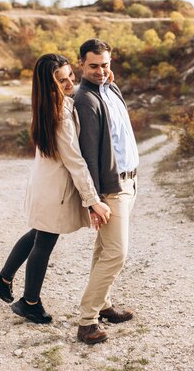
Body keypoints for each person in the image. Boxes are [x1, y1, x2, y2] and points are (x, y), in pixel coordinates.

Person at [0, 53, 111, 324]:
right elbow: (75, 163)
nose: (70, 84)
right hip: (55, 191)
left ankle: (2, 280)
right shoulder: (60, 117)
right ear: (50, 84)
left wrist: (104, 84)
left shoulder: (47, 105)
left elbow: (78, 93)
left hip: (46, 185)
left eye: (71, 77)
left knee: (38, 233)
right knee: (44, 241)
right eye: (62, 81)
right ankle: (30, 303)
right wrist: (93, 201)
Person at [73, 39, 139, 345]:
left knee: (103, 249)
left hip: (130, 181)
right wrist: (94, 199)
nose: (101, 71)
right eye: (94, 66)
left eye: (105, 64)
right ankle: (87, 321)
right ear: (81, 65)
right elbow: (87, 154)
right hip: (112, 188)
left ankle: (104, 305)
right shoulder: (84, 99)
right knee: (116, 252)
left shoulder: (111, 88)